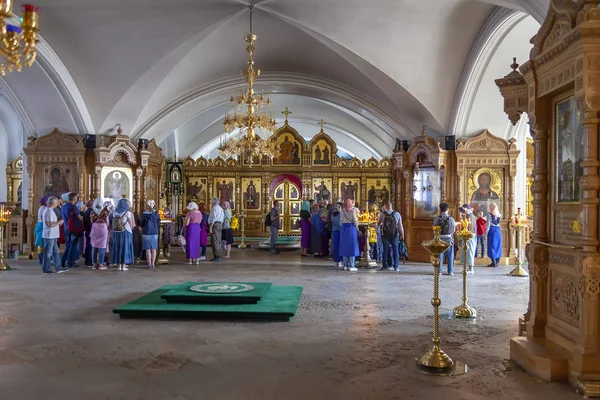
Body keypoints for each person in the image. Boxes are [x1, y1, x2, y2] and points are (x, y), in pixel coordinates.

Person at [41, 197, 68, 274]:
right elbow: (50, 224)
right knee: (48, 253)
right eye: (57, 202)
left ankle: (58, 267)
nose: (58, 203)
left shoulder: (50, 211)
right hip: (49, 235)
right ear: (53, 203)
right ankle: (46, 269)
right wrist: (59, 222)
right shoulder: (48, 211)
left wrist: (58, 222)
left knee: (55, 252)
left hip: (53, 235)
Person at [378, 200, 405, 271]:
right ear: (391, 206)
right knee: (395, 250)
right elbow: (400, 226)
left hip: (385, 234)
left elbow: (378, 224)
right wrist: (402, 234)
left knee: (385, 250)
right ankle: (396, 266)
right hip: (395, 234)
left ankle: (384, 265)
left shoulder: (382, 214)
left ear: (385, 206)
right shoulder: (397, 214)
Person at [111, 199, 135, 271]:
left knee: (118, 247)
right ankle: (124, 265)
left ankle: (119, 266)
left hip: (116, 231)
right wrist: (131, 229)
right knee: (125, 247)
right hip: (125, 232)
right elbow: (131, 223)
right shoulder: (127, 212)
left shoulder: (115, 212)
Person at [433, 202, 456, 276]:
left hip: (439, 239)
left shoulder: (437, 219)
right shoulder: (451, 219)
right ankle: (450, 271)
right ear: (447, 209)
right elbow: (453, 230)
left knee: (440, 255)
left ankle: (439, 271)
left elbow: (434, 229)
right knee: (450, 255)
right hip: (449, 238)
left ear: (440, 209)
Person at [61, 192, 81, 268]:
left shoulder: (63, 206)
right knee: (72, 246)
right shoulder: (74, 207)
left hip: (66, 228)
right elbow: (79, 217)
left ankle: (63, 261)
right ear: (74, 199)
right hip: (73, 229)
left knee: (69, 245)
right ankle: (70, 262)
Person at [339, 198, 359, 271]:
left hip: (344, 229)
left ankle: (345, 265)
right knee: (352, 247)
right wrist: (357, 228)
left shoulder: (342, 211)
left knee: (344, 247)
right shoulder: (352, 211)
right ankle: (351, 265)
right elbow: (355, 221)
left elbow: (340, 222)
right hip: (351, 229)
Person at [90, 200, 110, 270]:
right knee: (102, 246)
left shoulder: (92, 212)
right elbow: (107, 222)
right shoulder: (104, 211)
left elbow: (92, 221)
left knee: (94, 246)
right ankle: (101, 264)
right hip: (103, 229)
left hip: (94, 229)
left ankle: (94, 264)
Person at [141, 200, 160, 269]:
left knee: (148, 249)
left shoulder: (144, 213)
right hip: (154, 232)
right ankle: (153, 264)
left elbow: (142, 223)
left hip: (146, 232)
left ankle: (149, 264)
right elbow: (158, 222)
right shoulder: (156, 213)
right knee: (154, 248)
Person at [459, 204, 477, 274]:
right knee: (467, 253)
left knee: (470, 252)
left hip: (470, 237)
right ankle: (468, 268)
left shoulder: (471, 217)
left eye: (462, 211)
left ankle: (471, 268)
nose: (461, 213)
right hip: (467, 237)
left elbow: (470, 229)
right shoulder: (466, 217)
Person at [486, 202, 502, 268]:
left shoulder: (489, 215)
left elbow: (488, 225)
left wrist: (485, 234)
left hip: (492, 231)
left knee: (492, 246)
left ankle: (493, 262)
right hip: (498, 231)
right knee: (498, 246)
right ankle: (497, 262)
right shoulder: (499, 215)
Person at [208, 197, 224, 261]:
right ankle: (218, 255)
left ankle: (217, 256)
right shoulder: (220, 208)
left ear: (214, 202)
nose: (210, 202)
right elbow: (222, 217)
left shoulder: (214, 208)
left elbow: (213, 218)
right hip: (220, 224)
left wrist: (210, 227)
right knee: (218, 240)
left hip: (215, 224)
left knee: (215, 240)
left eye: (211, 201)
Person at [35, 196, 48, 265]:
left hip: (42, 224)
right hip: (42, 224)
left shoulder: (43, 207)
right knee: (40, 243)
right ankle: (41, 259)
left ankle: (42, 259)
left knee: (42, 243)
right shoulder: (43, 208)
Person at [83, 200, 94, 267]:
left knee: (88, 245)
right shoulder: (91, 212)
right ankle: (90, 262)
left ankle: (87, 261)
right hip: (90, 230)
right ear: (92, 205)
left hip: (86, 230)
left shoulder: (85, 212)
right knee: (90, 246)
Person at [331, 202, 343, 267]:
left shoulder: (332, 215)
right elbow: (340, 224)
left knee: (335, 247)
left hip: (334, 232)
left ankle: (336, 261)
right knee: (340, 246)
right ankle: (340, 261)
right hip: (340, 231)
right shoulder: (340, 215)